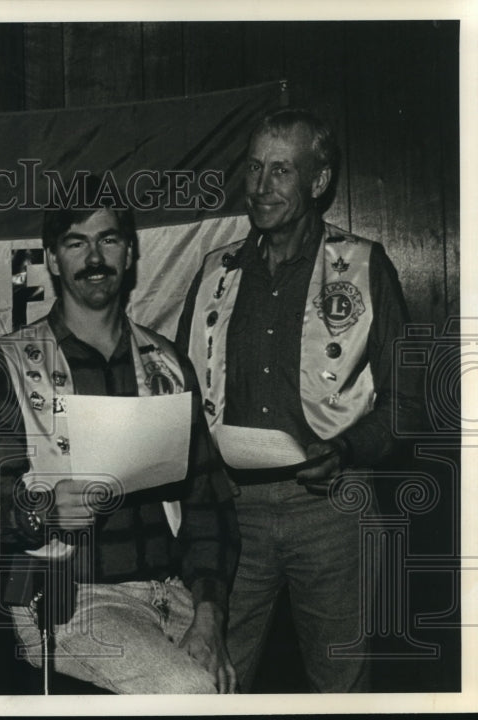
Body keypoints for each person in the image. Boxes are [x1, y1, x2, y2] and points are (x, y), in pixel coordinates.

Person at [0, 175, 240, 694]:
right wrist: (39, 511)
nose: (94, 257)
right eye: (75, 242)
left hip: (173, 591)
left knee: (230, 691)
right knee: (189, 691)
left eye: (108, 239)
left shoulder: (167, 364)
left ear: (130, 253)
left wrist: (210, 614)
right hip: (68, 596)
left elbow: (209, 505)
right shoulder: (11, 363)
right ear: (51, 258)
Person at [176, 108, 415, 692]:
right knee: (205, 681)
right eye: (255, 167)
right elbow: (180, 388)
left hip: (334, 508)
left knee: (341, 684)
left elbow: (409, 403)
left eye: (281, 170)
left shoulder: (363, 266)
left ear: (318, 181)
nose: (261, 187)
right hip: (234, 515)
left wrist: (349, 446)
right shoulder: (215, 270)